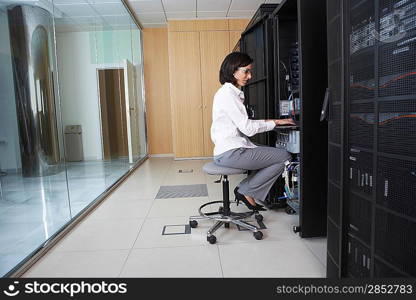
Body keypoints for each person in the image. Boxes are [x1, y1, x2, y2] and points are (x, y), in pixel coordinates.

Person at [211, 52, 294, 211]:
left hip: (226, 151)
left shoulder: (227, 92)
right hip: (232, 153)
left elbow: (245, 124)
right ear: (233, 71)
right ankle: (246, 190)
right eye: (246, 71)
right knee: (284, 156)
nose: (250, 76)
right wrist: (274, 123)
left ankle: (245, 190)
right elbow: (248, 128)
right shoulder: (228, 94)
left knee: (264, 151)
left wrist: (273, 121)